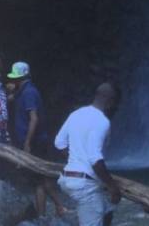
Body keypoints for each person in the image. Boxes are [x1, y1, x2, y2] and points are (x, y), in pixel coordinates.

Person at [55, 83, 122, 226]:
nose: (117, 109)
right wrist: (112, 186)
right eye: (117, 104)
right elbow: (95, 157)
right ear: (110, 102)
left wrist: (76, 162)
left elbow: (59, 142)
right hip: (85, 186)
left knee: (107, 210)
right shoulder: (102, 121)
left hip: (67, 179)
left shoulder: (76, 114)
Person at [8, 61, 66, 218]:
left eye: (15, 78)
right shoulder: (24, 92)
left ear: (21, 78)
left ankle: (60, 206)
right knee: (38, 181)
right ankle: (42, 216)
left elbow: (34, 118)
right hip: (35, 142)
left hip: (35, 143)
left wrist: (27, 143)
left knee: (42, 176)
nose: (12, 81)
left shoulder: (29, 93)